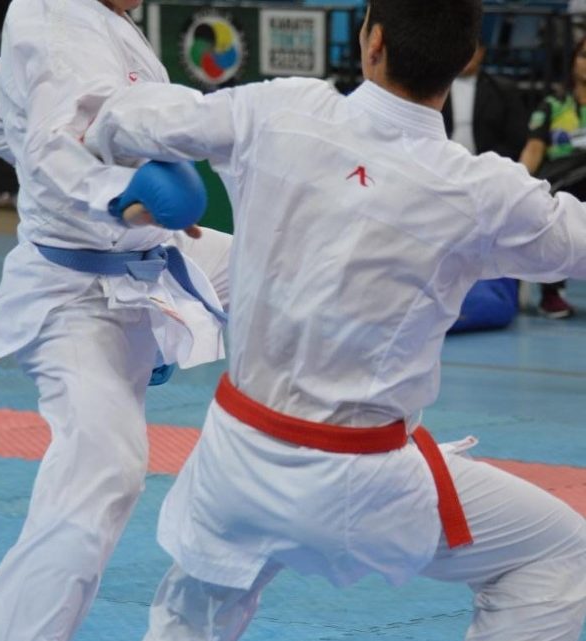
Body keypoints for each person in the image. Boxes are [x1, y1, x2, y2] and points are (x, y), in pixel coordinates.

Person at [86, 0, 586, 639]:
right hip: (364, 487)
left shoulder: (280, 109)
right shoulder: (483, 190)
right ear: (466, 61)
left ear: (370, 42)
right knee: (557, 550)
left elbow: (126, 122)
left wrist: (117, 179)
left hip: (235, 462)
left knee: (192, 615)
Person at [0, 1, 231, 640]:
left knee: (286, 265)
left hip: (148, 262)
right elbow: (55, 142)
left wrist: (132, 190)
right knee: (104, 468)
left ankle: (328, 447)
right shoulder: (56, 19)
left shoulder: (109, 20)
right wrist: (121, 197)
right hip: (75, 293)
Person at [442, 41, 528, 332]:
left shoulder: (503, 90)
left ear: (482, 53)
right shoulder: (432, 88)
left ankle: (507, 284)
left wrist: (484, 170)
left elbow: (516, 139)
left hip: (486, 174)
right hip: (441, 173)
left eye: (472, 50)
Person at [518, 36, 586, 318]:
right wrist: (520, 183)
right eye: (583, 56)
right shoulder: (553, 104)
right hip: (564, 180)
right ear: (572, 63)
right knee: (553, 203)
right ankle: (551, 292)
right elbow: (534, 148)